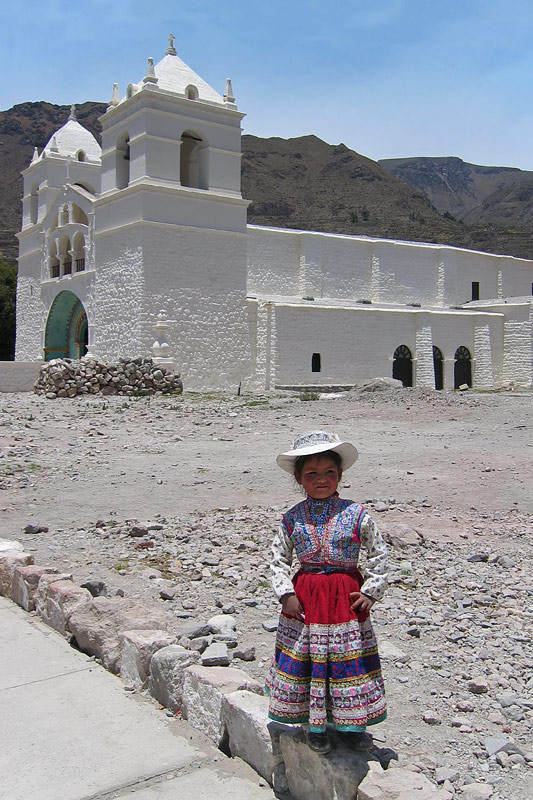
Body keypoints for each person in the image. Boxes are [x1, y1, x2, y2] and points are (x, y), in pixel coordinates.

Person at [266, 430, 388, 755]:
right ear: (298, 478)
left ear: (340, 475)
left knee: (347, 660)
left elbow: (379, 551)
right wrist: (285, 593)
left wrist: (372, 590)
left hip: (345, 601)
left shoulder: (356, 514)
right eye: (312, 474)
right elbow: (277, 558)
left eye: (329, 473)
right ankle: (314, 723)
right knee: (309, 659)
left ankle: (351, 725)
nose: (321, 480)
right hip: (306, 601)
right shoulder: (292, 519)